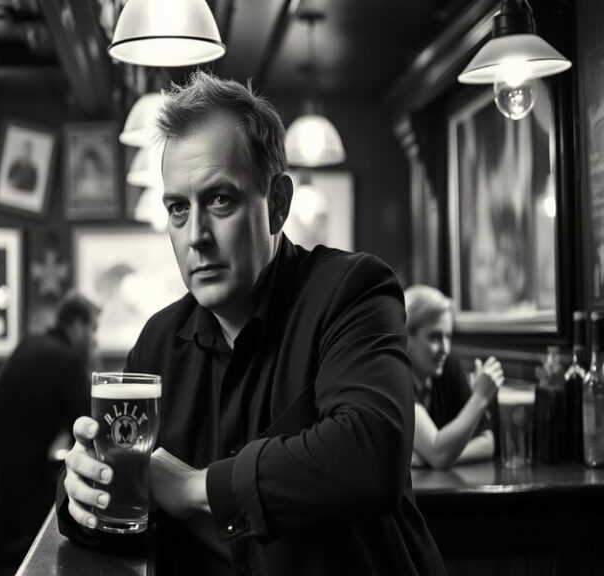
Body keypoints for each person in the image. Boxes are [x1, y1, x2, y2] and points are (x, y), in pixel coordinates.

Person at [57, 71, 446, 575]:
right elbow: (115, 510)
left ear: (277, 204)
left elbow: (373, 456)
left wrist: (196, 487)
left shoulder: (352, 292)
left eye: (220, 200)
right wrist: (81, 494)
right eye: (178, 208)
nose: (195, 235)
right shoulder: (157, 342)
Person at [0, 292, 99, 539]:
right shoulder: (68, 361)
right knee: (81, 511)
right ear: (77, 326)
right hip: (16, 500)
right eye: (93, 330)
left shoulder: (30, 343)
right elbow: (92, 434)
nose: (95, 341)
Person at [405, 284, 503, 469]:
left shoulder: (447, 365)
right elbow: (438, 453)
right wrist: (480, 397)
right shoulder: (395, 376)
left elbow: (487, 442)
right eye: (435, 337)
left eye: (448, 337)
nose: (445, 349)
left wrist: (432, 459)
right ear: (406, 336)